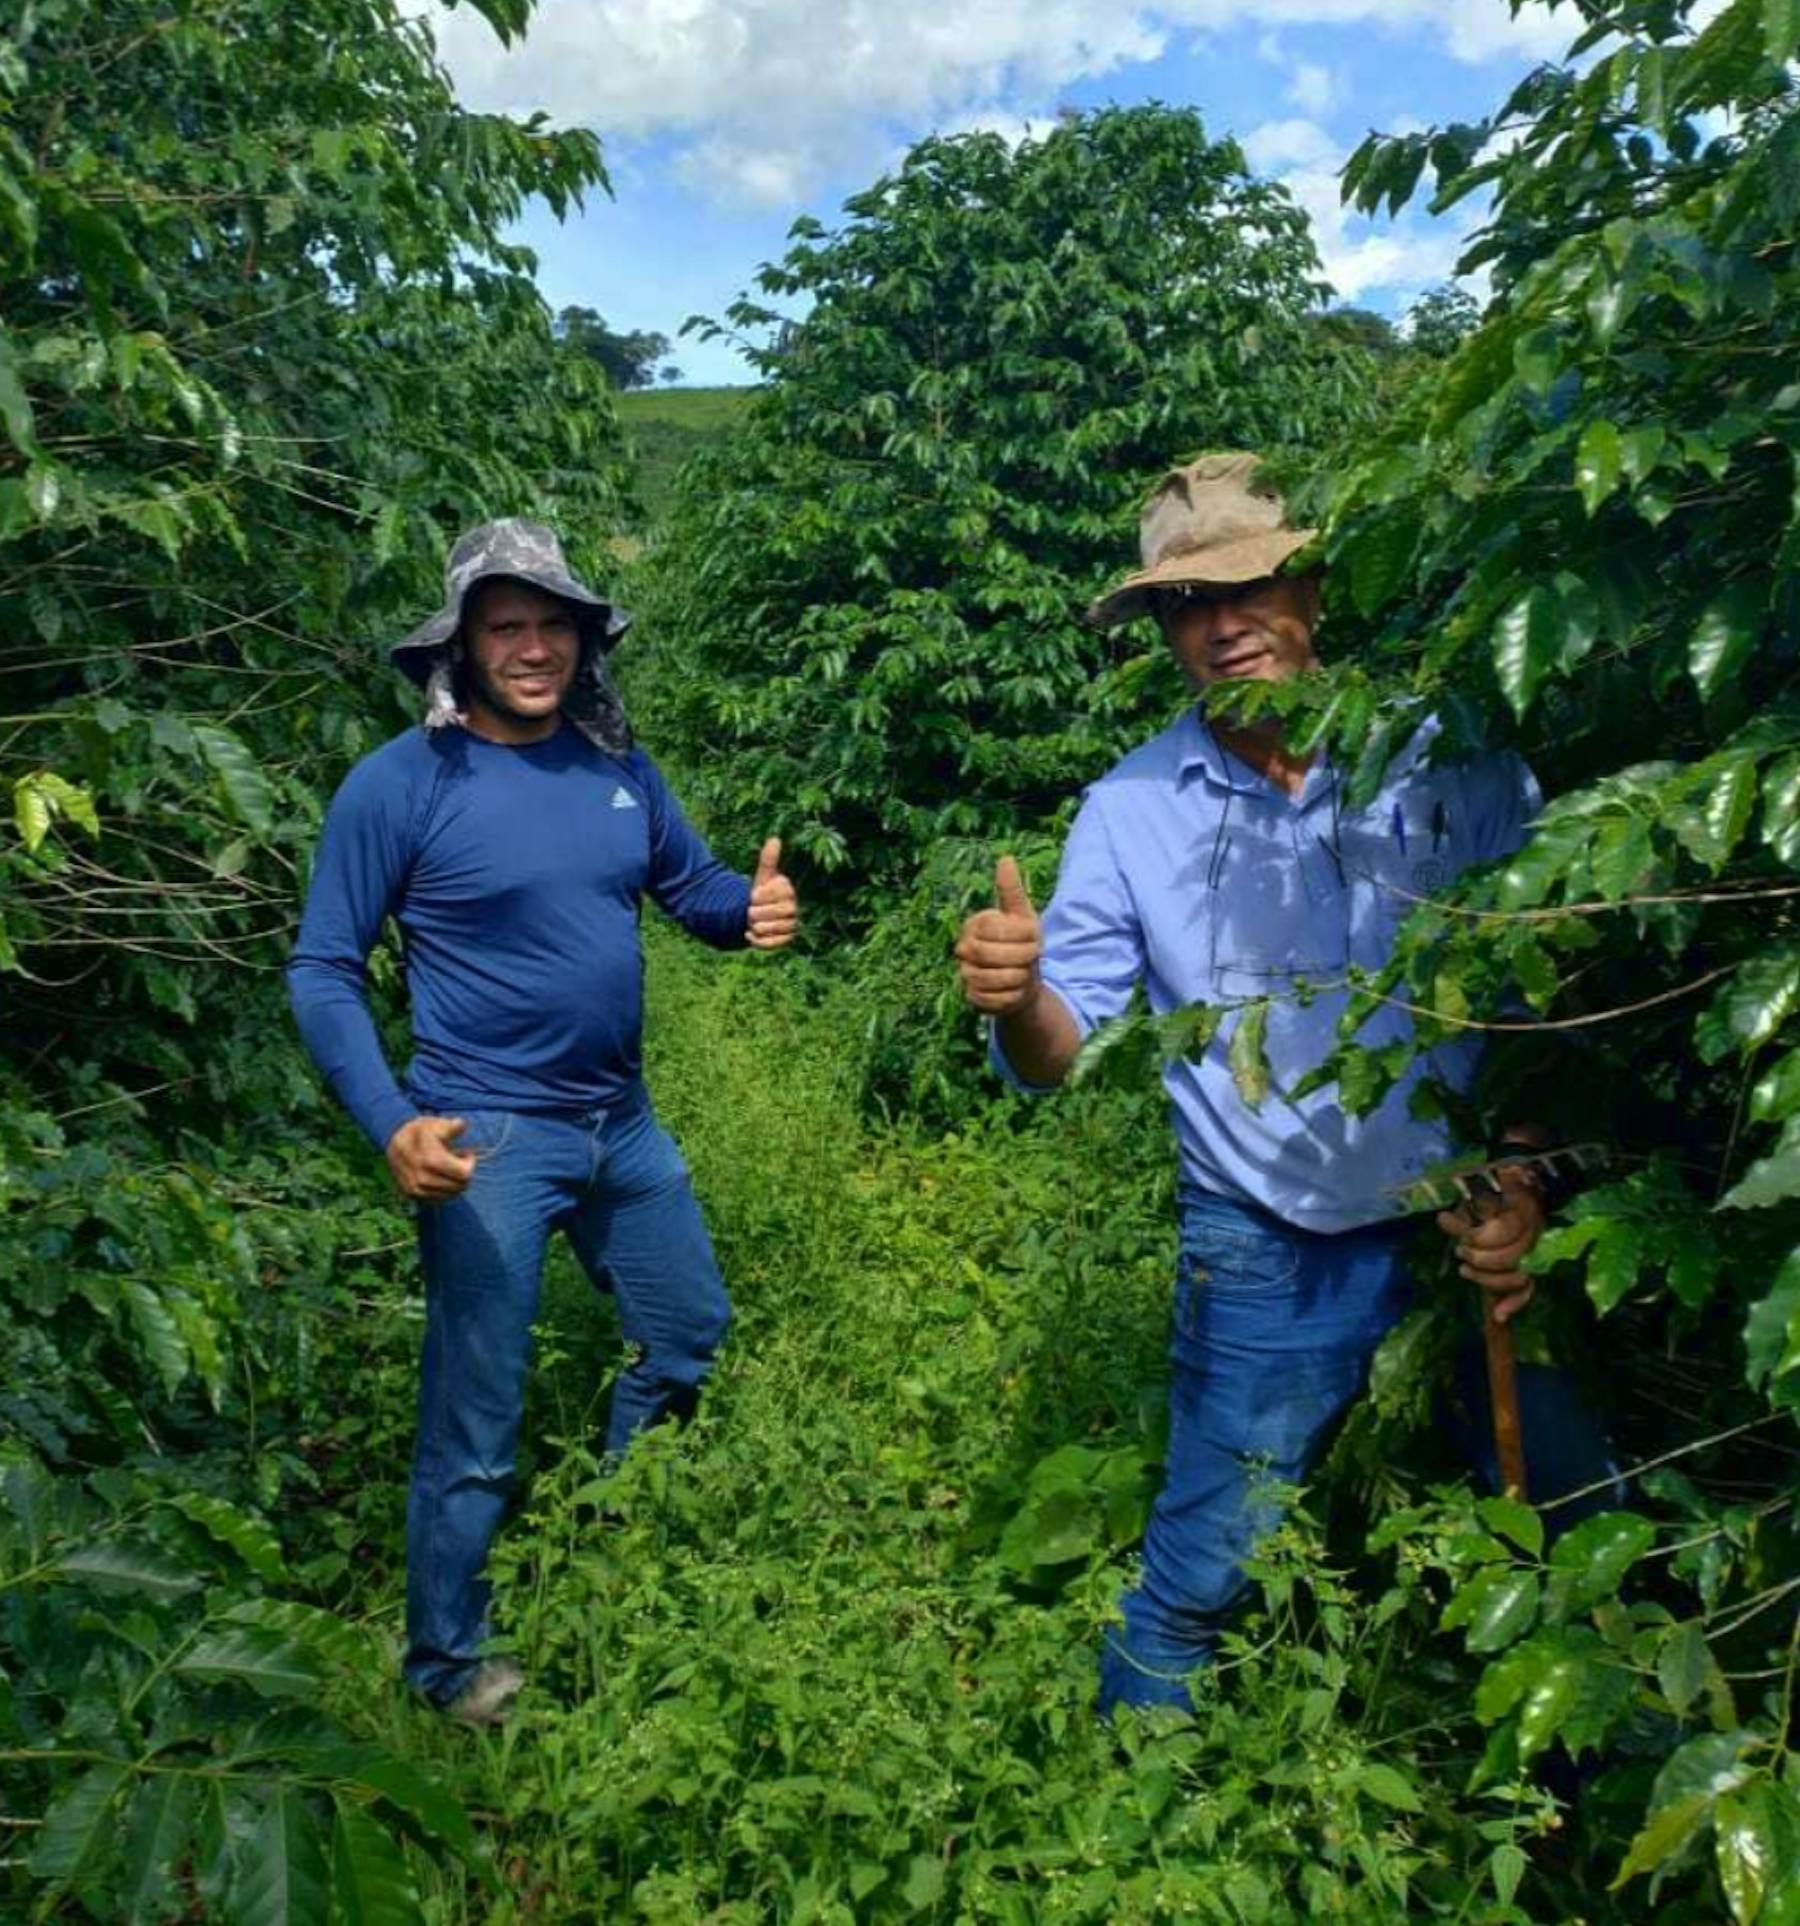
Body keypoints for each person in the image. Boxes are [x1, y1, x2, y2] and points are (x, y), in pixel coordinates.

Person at [954, 453, 1606, 1713]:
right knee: (1207, 1555)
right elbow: (1061, 1047)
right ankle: (1118, 1823)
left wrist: (1524, 1175)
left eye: (1255, 581)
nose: (1225, 621)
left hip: (1471, 1219)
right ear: (1160, 630)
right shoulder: (1129, 812)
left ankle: (1597, 1780)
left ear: (1313, 587)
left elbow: (1539, 990)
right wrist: (1017, 993)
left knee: (1572, 1521)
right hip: (1269, 1241)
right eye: (1189, 602)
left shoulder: (1448, 758)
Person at [289, 518, 797, 1725]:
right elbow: (322, 969)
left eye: (551, 624)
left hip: (620, 1125)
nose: (531, 647)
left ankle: (617, 1547)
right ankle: (447, 1664)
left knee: (686, 1335)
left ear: (582, 640)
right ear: (460, 645)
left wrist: (753, 908)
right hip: (488, 1141)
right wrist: (390, 1119)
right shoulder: (404, 783)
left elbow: (694, 889)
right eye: (504, 625)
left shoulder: (614, 765)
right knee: (477, 1410)